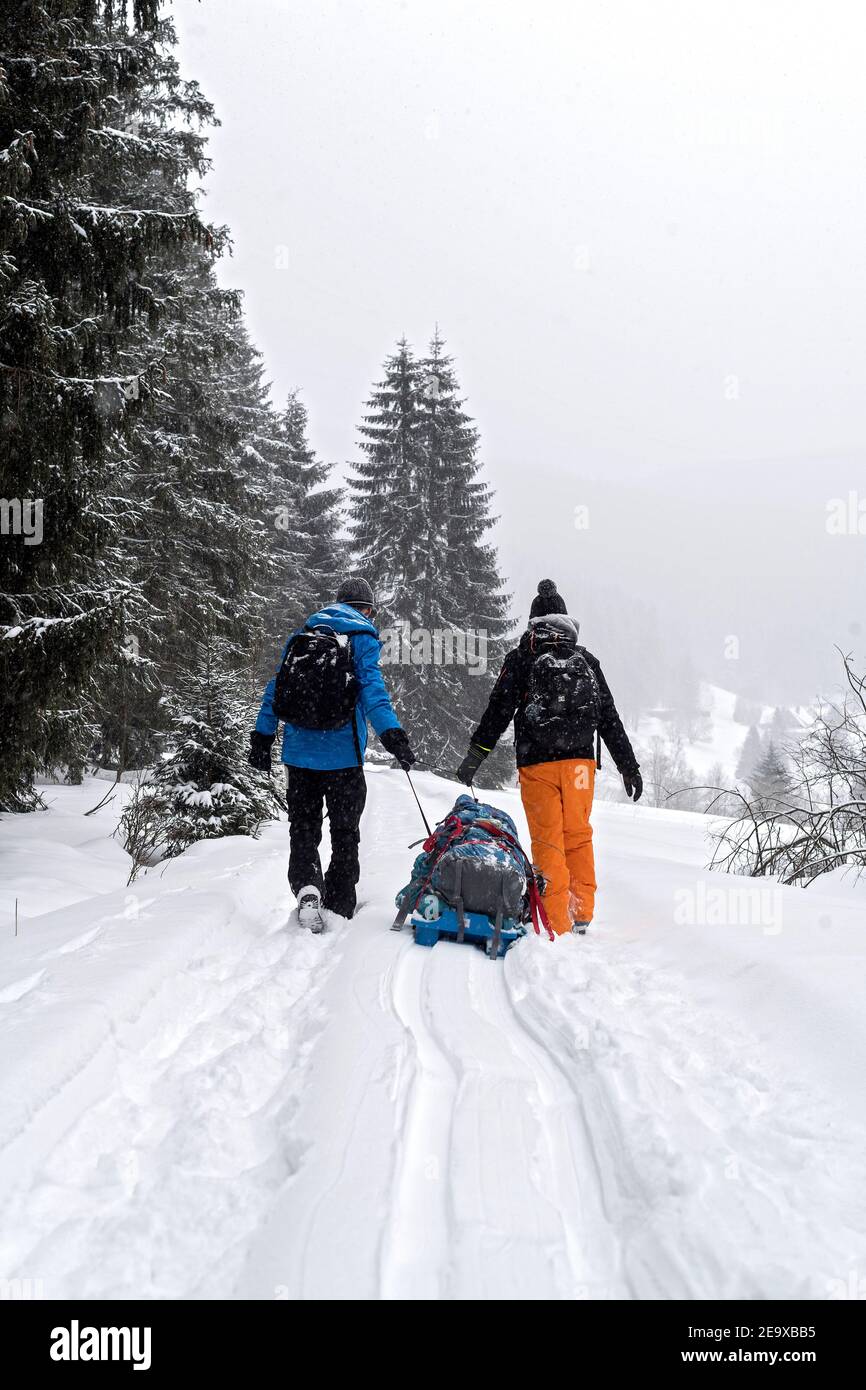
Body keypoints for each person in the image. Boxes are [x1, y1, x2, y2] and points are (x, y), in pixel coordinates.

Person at [455, 579, 642, 936]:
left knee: (548, 840)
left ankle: (556, 918)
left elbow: (498, 711)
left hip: (536, 761)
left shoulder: (523, 657)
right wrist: (628, 767)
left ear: (532, 622)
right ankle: (582, 911)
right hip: (581, 766)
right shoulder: (584, 659)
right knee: (578, 835)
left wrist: (475, 756)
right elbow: (608, 717)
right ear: (566, 619)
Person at [249, 576, 415, 931]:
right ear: (367, 610)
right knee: (345, 832)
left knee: (303, 829)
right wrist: (393, 735)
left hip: (299, 755)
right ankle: (340, 904)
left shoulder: (305, 634)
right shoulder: (363, 638)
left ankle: (308, 888)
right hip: (343, 758)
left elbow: (275, 687)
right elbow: (373, 692)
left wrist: (262, 738)